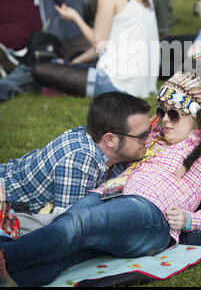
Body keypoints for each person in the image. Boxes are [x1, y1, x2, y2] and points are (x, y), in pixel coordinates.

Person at [0, 61, 201, 287]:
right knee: (68, 243)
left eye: (174, 114)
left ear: (198, 117)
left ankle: (5, 256)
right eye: (162, 111)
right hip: (108, 195)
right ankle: (15, 276)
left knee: (79, 223)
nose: (164, 120)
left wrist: (188, 220)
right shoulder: (154, 137)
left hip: (149, 211)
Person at [32, 0, 160, 99]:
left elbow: (98, 41)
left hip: (117, 83)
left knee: (40, 69)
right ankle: (66, 68)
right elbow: (108, 43)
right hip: (141, 83)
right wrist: (78, 61)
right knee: (74, 58)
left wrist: (75, 17)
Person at [0, 91, 151, 214]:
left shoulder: (116, 154)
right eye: (142, 136)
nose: (150, 138)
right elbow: (69, 225)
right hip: (8, 201)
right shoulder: (78, 160)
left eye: (149, 130)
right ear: (110, 139)